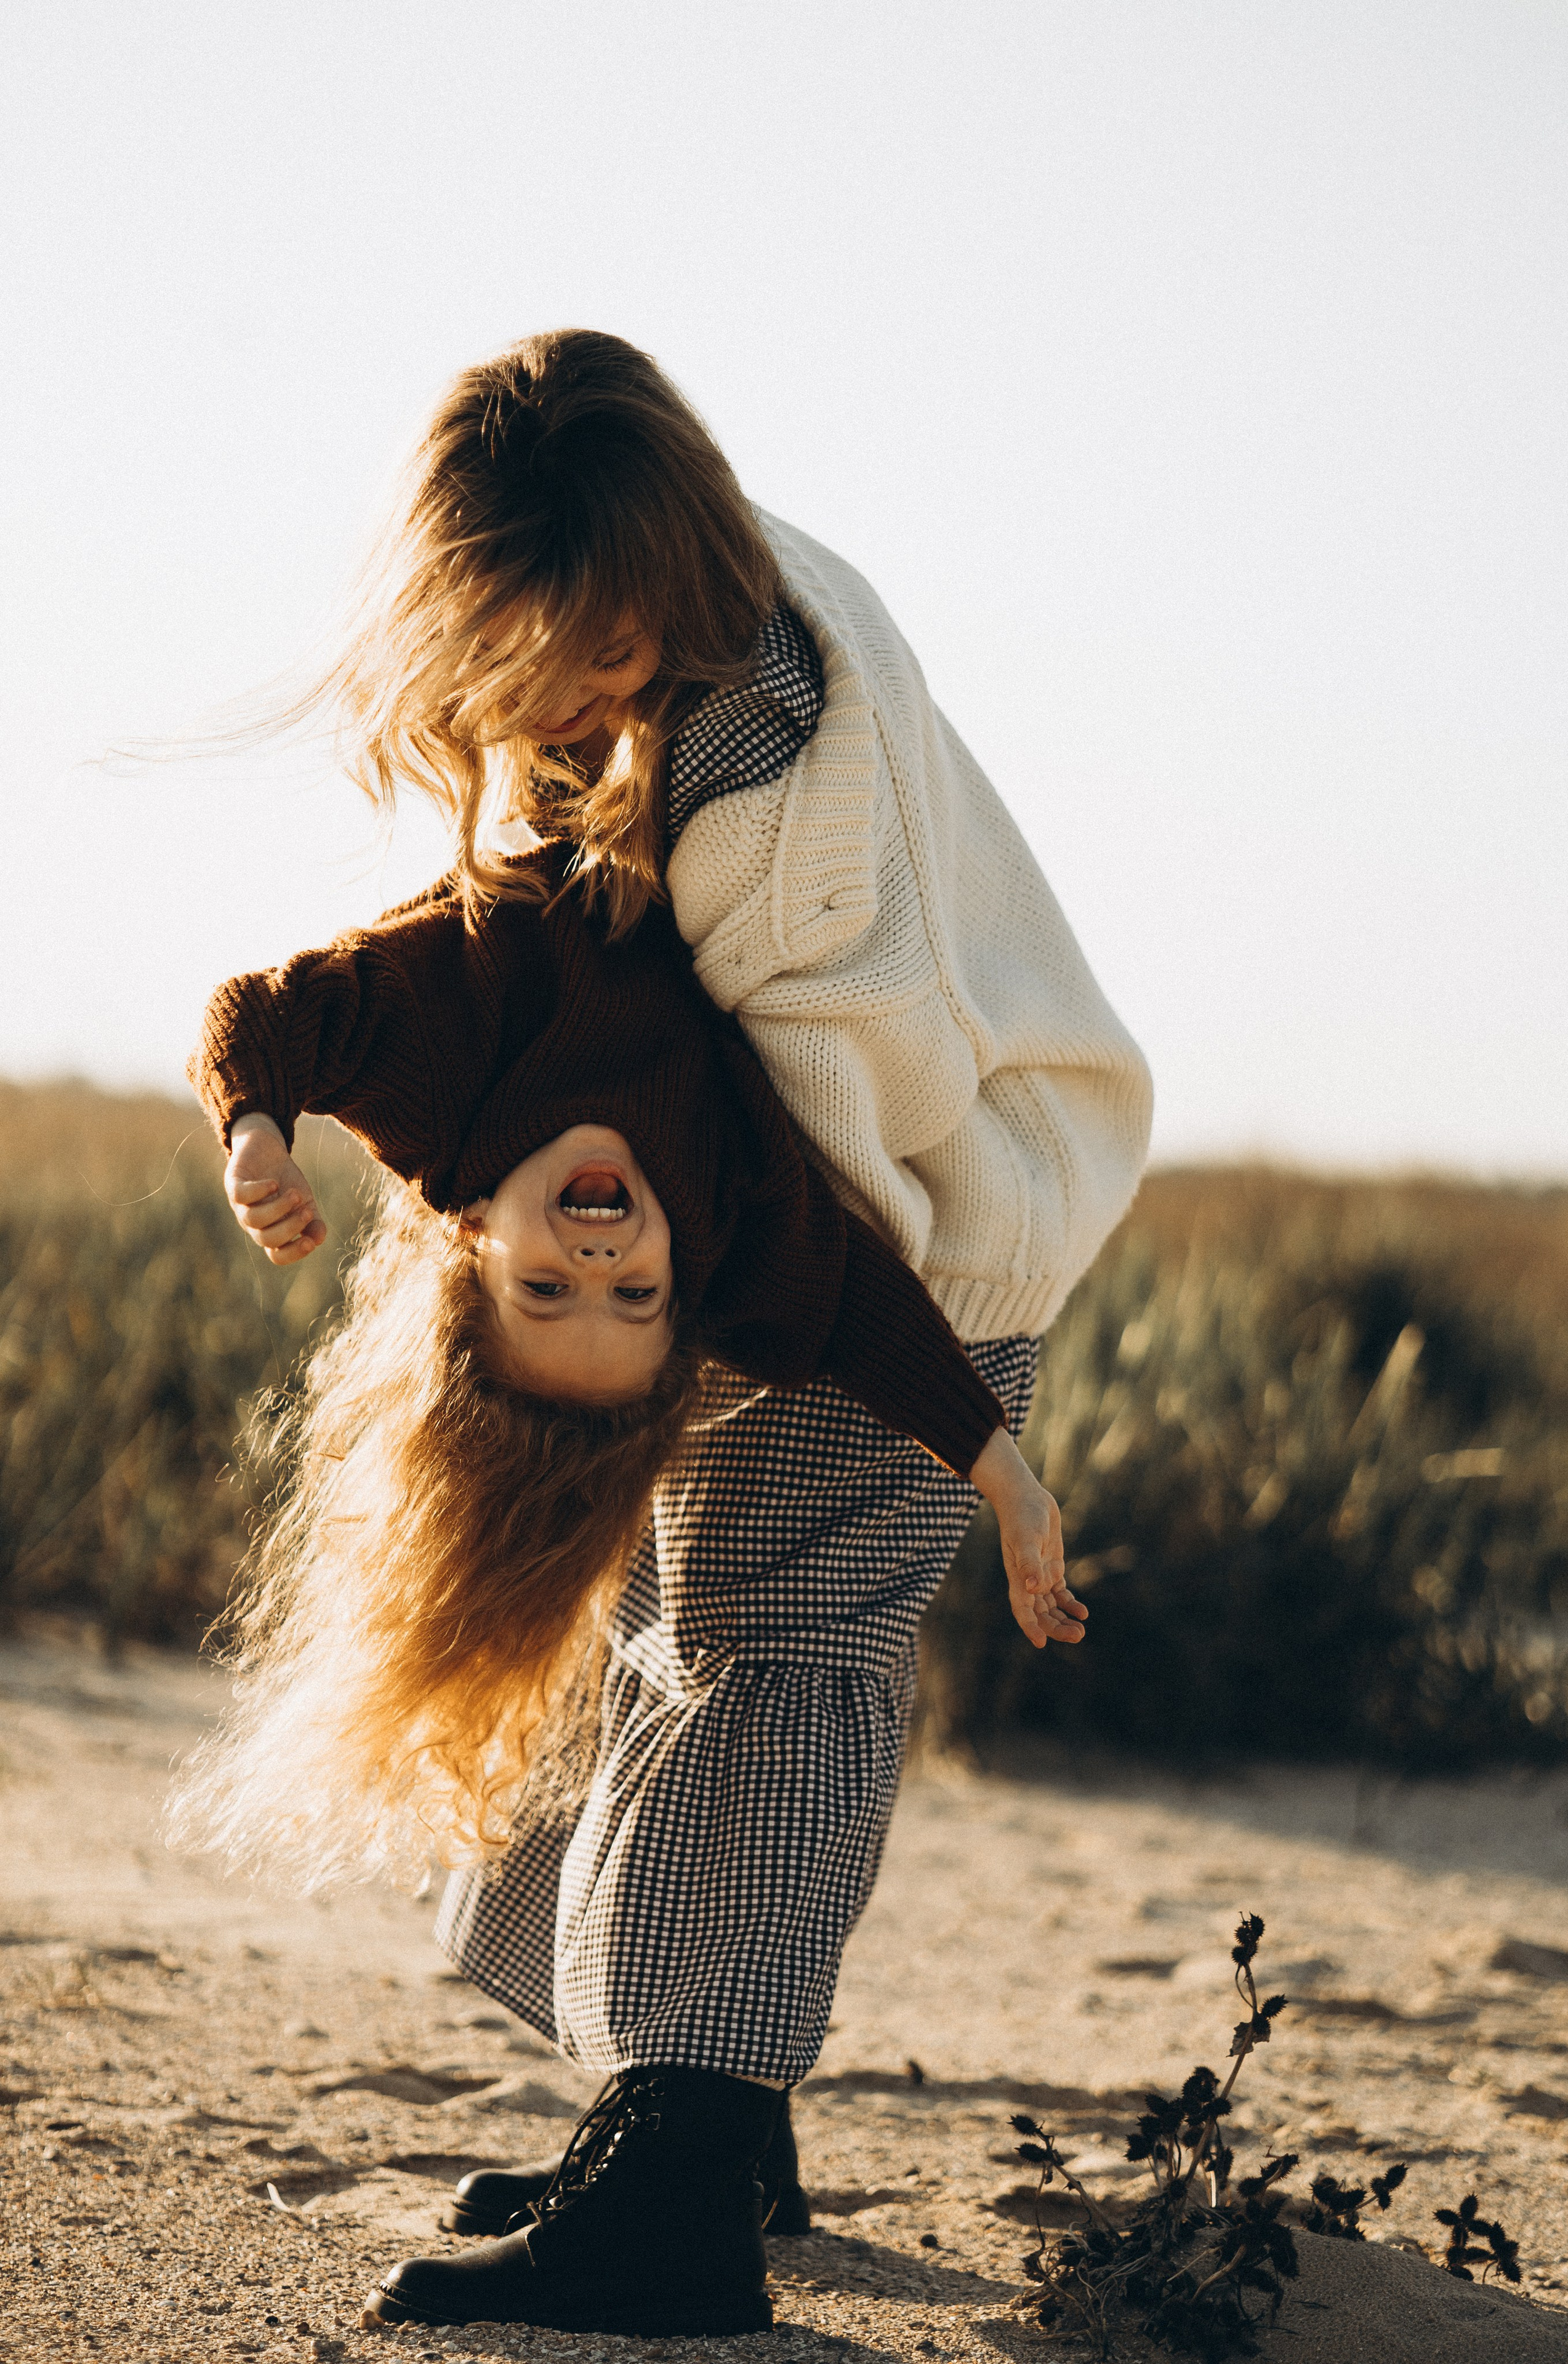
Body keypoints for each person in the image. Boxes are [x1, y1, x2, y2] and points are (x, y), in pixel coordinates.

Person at [187, 328, 1152, 2338]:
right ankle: (704, 2110)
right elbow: (334, 1001)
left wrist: (789, 1362)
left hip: (907, 1233)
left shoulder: (767, 757)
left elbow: (834, 1166)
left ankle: (687, 2188)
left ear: (676, 587)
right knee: (656, 1636)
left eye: (614, 660)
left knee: (768, 1659)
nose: (579, 699)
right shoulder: (652, 608)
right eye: (540, 660)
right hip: (763, 1225)